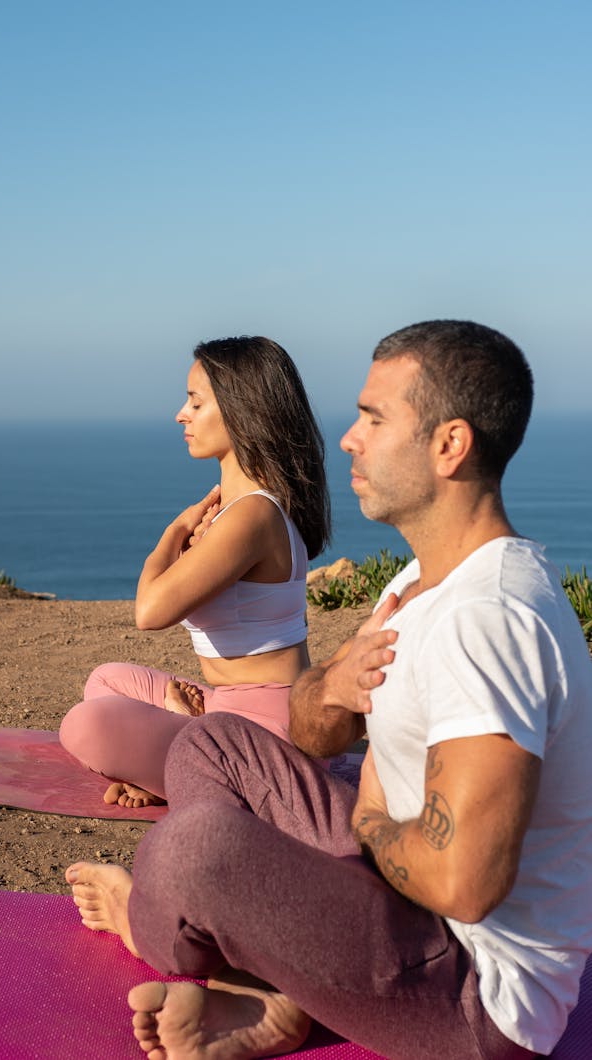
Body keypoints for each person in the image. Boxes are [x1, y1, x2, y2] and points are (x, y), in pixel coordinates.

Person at [65, 320, 592, 1060]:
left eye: (374, 418)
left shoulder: (490, 622)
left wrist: (371, 818)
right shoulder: (419, 583)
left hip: (472, 994)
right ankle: (277, 988)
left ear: (450, 445)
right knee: (216, 745)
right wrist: (334, 686)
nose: (347, 438)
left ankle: (163, 931)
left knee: (193, 847)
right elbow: (313, 732)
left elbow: (465, 884)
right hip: (400, 901)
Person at [60, 335, 331, 808]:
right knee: (104, 681)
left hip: (269, 740)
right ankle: (188, 741)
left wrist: (175, 531)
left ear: (241, 411)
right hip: (225, 709)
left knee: (85, 725)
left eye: (195, 402)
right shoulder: (237, 512)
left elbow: (150, 610)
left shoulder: (252, 516)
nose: (180, 414)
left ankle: (190, 769)